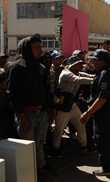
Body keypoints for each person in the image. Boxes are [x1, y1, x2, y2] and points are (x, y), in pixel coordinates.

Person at [6, 34, 54, 175]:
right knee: (27, 148)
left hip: (42, 114)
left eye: (41, 47)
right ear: (27, 49)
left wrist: (49, 111)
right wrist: (22, 116)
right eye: (37, 47)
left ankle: (40, 168)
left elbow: (46, 91)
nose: (41, 50)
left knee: (39, 144)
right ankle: (30, 174)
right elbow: (13, 94)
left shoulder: (41, 68)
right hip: (27, 115)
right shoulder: (16, 68)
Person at [80, 49, 110, 176]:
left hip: (103, 113)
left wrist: (88, 113)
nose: (92, 61)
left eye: (94, 60)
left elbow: (102, 98)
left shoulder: (105, 74)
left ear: (102, 62)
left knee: (102, 140)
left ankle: (107, 168)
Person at [50, 57, 94, 157]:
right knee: (59, 128)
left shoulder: (77, 72)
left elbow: (89, 76)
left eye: (81, 64)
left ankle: (84, 145)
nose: (81, 66)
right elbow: (79, 80)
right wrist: (96, 81)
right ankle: (55, 148)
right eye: (79, 64)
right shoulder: (66, 73)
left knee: (81, 123)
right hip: (62, 104)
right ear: (72, 65)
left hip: (71, 103)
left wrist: (99, 77)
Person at [0, 68, 18, 140]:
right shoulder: (3, 97)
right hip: (5, 132)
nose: (8, 83)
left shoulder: (5, 95)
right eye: (6, 82)